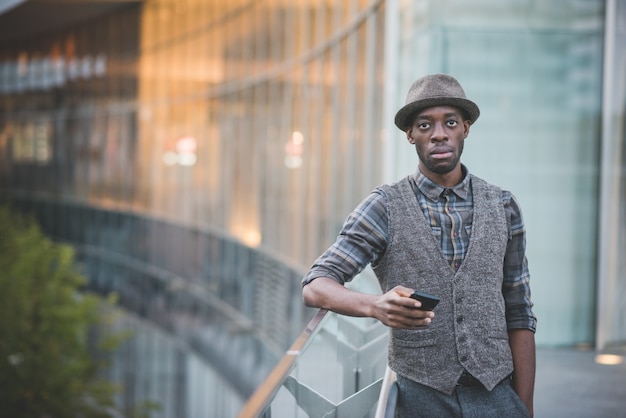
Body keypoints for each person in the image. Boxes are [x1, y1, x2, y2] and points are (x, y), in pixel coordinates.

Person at [301, 73, 537, 418]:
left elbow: (519, 311)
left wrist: (524, 406)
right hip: (419, 399)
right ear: (410, 135)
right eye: (425, 125)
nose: (439, 133)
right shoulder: (384, 206)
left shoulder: (503, 206)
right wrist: (374, 305)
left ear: (466, 128)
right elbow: (315, 285)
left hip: (496, 396)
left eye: (450, 122)